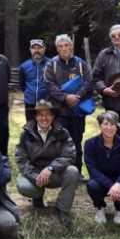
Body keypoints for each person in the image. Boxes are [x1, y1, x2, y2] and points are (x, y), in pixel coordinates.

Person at [15, 100, 81, 228]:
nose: (44, 118)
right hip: (34, 173)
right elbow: (21, 159)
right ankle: (37, 198)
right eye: (40, 114)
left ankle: (62, 209)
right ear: (35, 116)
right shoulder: (26, 134)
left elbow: (69, 155)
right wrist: (36, 176)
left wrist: (50, 168)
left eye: (48, 114)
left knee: (72, 171)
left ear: (53, 116)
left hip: (54, 173)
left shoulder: (62, 132)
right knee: (24, 186)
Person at [45, 34, 94, 171]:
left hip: (77, 109)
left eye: (66, 45)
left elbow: (88, 82)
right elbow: (49, 85)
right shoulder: (51, 64)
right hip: (60, 110)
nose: (64, 48)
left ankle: (77, 170)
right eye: (60, 46)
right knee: (60, 140)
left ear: (71, 46)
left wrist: (77, 96)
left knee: (77, 140)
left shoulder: (80, 63)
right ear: (57, 48)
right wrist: (65, 97)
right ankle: (60, 170)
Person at [84, 111, 120, 225]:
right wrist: (112, 186)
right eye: (105, 124)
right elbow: (92, 169)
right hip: (101, 181)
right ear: (100, 126)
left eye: (112, 124)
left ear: (117, 126)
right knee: (92, 186)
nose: (109, 128)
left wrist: (118, 184)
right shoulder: (90, 144)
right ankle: (100, 208)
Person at [18, 39, 49, 122]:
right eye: (34, 48)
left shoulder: (51, 64)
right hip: (30, 102)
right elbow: (22, 84)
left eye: (39, 48)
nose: (36, 50)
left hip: (47, 103)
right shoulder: (24, 66)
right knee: (30, 127)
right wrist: (29, 93)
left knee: (47, 127)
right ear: (30, 49)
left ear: (44, 48)